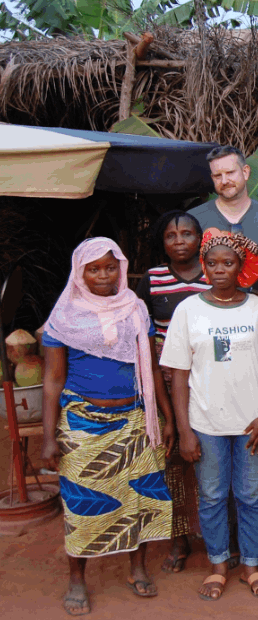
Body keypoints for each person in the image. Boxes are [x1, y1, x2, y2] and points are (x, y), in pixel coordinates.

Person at [39, 237, 176, 616]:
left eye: (110, 266)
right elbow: (52, 380)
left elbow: (150, 368)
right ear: (79, 273)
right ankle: (77, 579)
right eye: (94, 268)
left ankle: (136, 568)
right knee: (82, 505)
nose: (103, 275)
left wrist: (165, 419)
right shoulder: (63, 316)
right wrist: (49, 437)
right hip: (83, 423)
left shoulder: (135, 308)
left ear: (121, 267)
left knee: (139, 499)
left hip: (136, 420)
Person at [160, 230, 258, 601]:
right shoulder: (188, 310)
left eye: (228, 262)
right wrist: (184, 430)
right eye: (212, 263)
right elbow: (178, 375)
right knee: (210, 496)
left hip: (251, 424)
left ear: (241, 266)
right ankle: (218, 566)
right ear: (203, 267)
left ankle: (252, 565)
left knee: (251, 495)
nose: (220, 269)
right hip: (205, 423)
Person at [136, 211, 209, 572]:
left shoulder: (217, 271)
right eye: (171, 235)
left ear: (200, 238)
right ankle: (179, 539)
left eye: (186, 233)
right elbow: (143, 338)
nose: (179, 241)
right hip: (167, 382)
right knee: (173, 461)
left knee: (212, 455)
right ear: (162, 243)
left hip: (212, 379)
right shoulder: (152, 280)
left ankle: (216, 536)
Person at [189, 145, 258, 254]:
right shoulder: (193, 220)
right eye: (218, 176)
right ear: (212, 178)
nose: (224, 181)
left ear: (245, 172)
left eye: (230, 173)